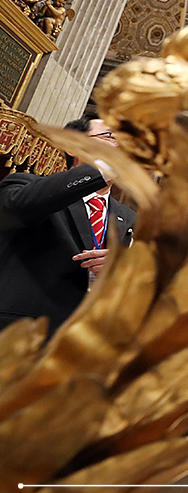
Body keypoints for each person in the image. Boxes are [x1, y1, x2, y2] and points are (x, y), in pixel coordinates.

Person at [0, 113, 135, 334]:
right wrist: (108, 166)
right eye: (110, 136)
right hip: (20, 334)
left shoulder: (132, 219)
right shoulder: (26, 186)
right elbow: (19, 207)